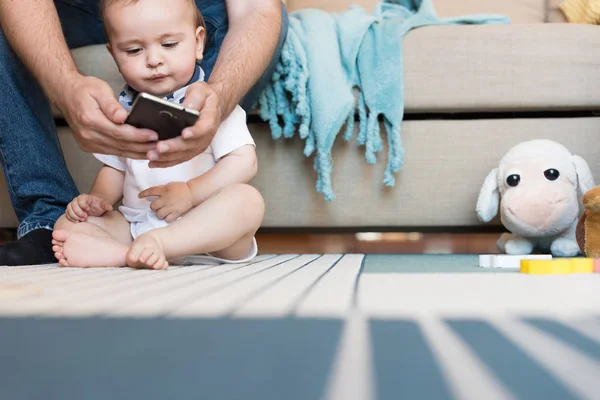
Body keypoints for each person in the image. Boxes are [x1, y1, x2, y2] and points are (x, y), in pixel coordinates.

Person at [0, 0, 287, 265]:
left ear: (199, 43)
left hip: (207, 228)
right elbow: (115, 170)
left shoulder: (210, 102)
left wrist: (190, 193)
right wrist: (97, 200)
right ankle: (130, 254)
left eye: (170, 44)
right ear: (113, 54)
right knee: (65, 227)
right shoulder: (124, 109)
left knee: (247, 201)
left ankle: (161, 244)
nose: (154, 60)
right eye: (135, 51)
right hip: (137, 225)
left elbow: (243, 162)